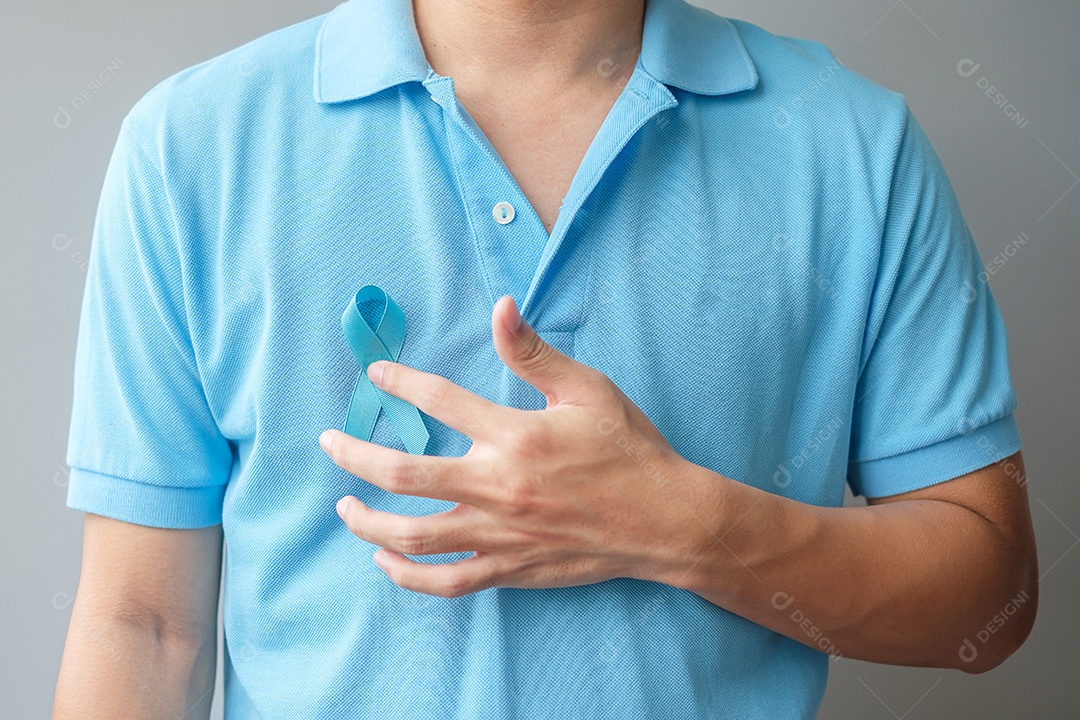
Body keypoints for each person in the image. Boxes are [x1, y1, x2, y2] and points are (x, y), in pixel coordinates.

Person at [53, 0, 1038, 717]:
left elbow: (989, 605)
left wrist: (690, 527)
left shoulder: (857, 146)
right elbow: (144, 625)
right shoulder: (193, 147)